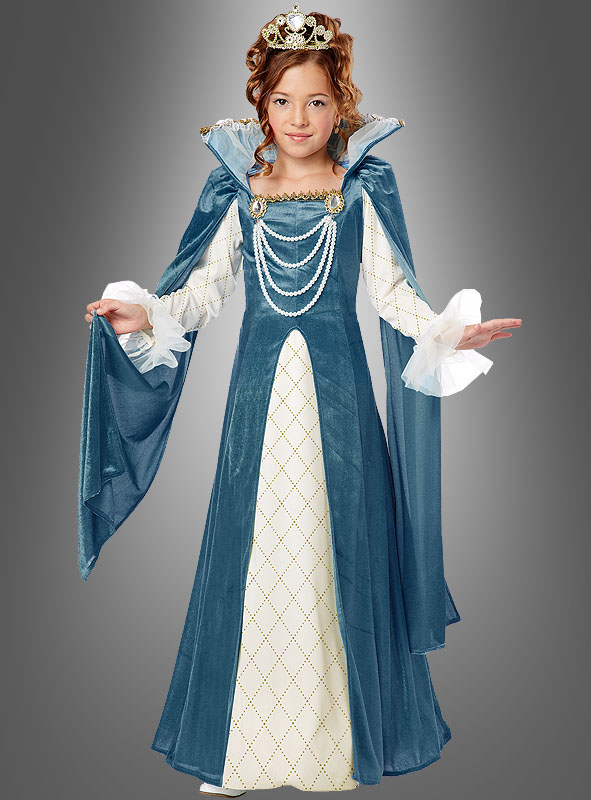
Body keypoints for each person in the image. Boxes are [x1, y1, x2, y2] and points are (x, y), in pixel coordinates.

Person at [80, 5, 521, 795]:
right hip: (257, 413)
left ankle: (330, 750)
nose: (298, 117)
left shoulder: (360, 191)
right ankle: (245, 752)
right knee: (258, 559)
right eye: (282, 100)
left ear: (339, 105)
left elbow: (392, 293)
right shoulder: (238, 192)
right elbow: (202, 290)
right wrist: (143, 314)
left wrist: (449, 332)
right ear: (260, 105)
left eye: (316, 101)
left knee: (330, 557)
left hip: (339, 411)